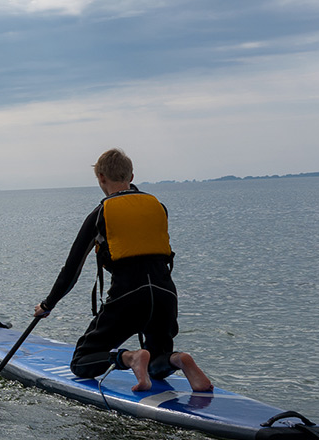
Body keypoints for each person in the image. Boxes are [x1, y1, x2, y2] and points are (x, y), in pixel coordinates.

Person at [33, 149, 212, 393]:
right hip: (165, 295)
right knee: (157, 361)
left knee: (81, 361)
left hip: (128, 296)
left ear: (101, 177)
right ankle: (177, 359)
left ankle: (129, 358)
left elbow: (71, 270)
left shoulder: (100, 215)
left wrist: (48, 304)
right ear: (131, 176)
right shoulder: (157, 206)